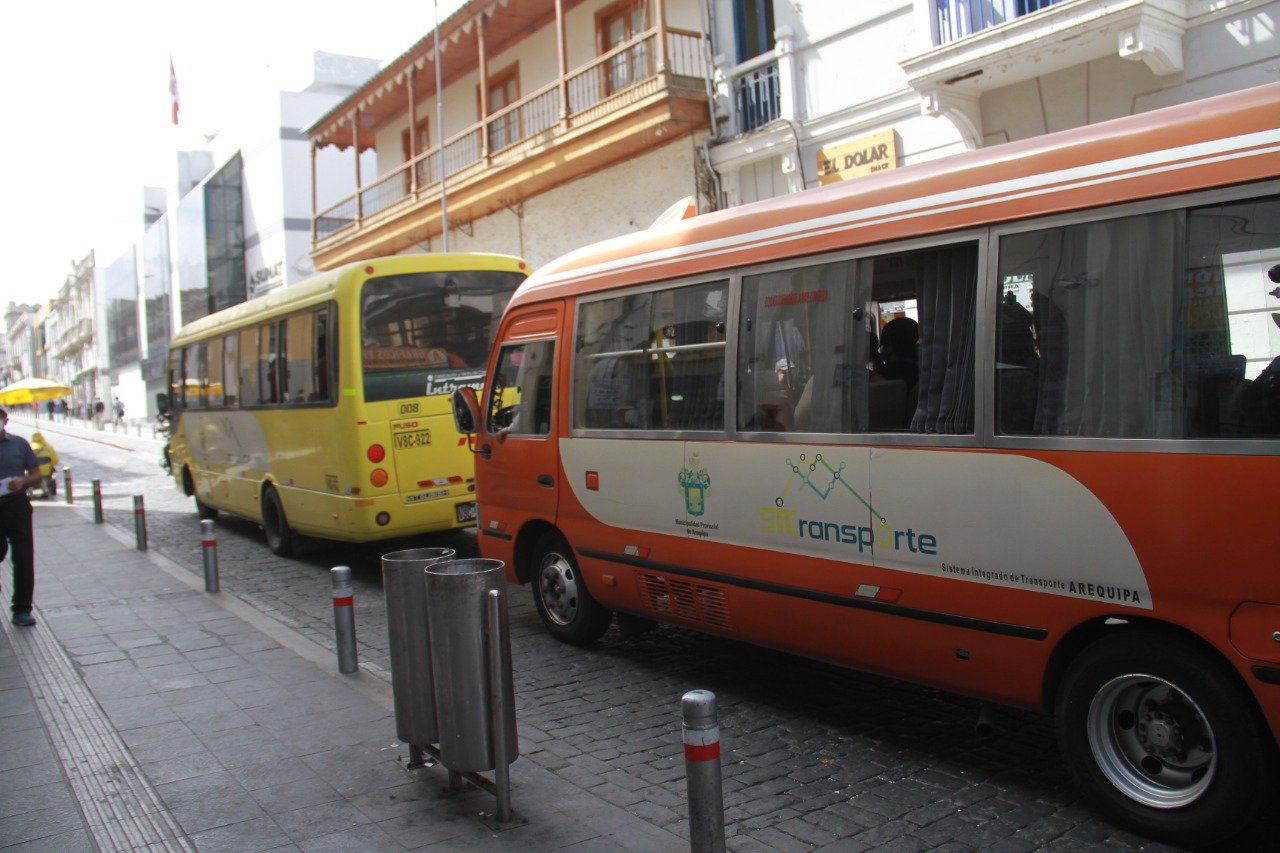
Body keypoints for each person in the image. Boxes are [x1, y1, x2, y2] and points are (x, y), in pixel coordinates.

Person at [0, 408, 43, 627]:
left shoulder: (19, 444)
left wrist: (23, 481)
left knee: (24, 558)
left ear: (5, 420)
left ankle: (22, 609)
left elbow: (37, 476)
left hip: (17, 505)